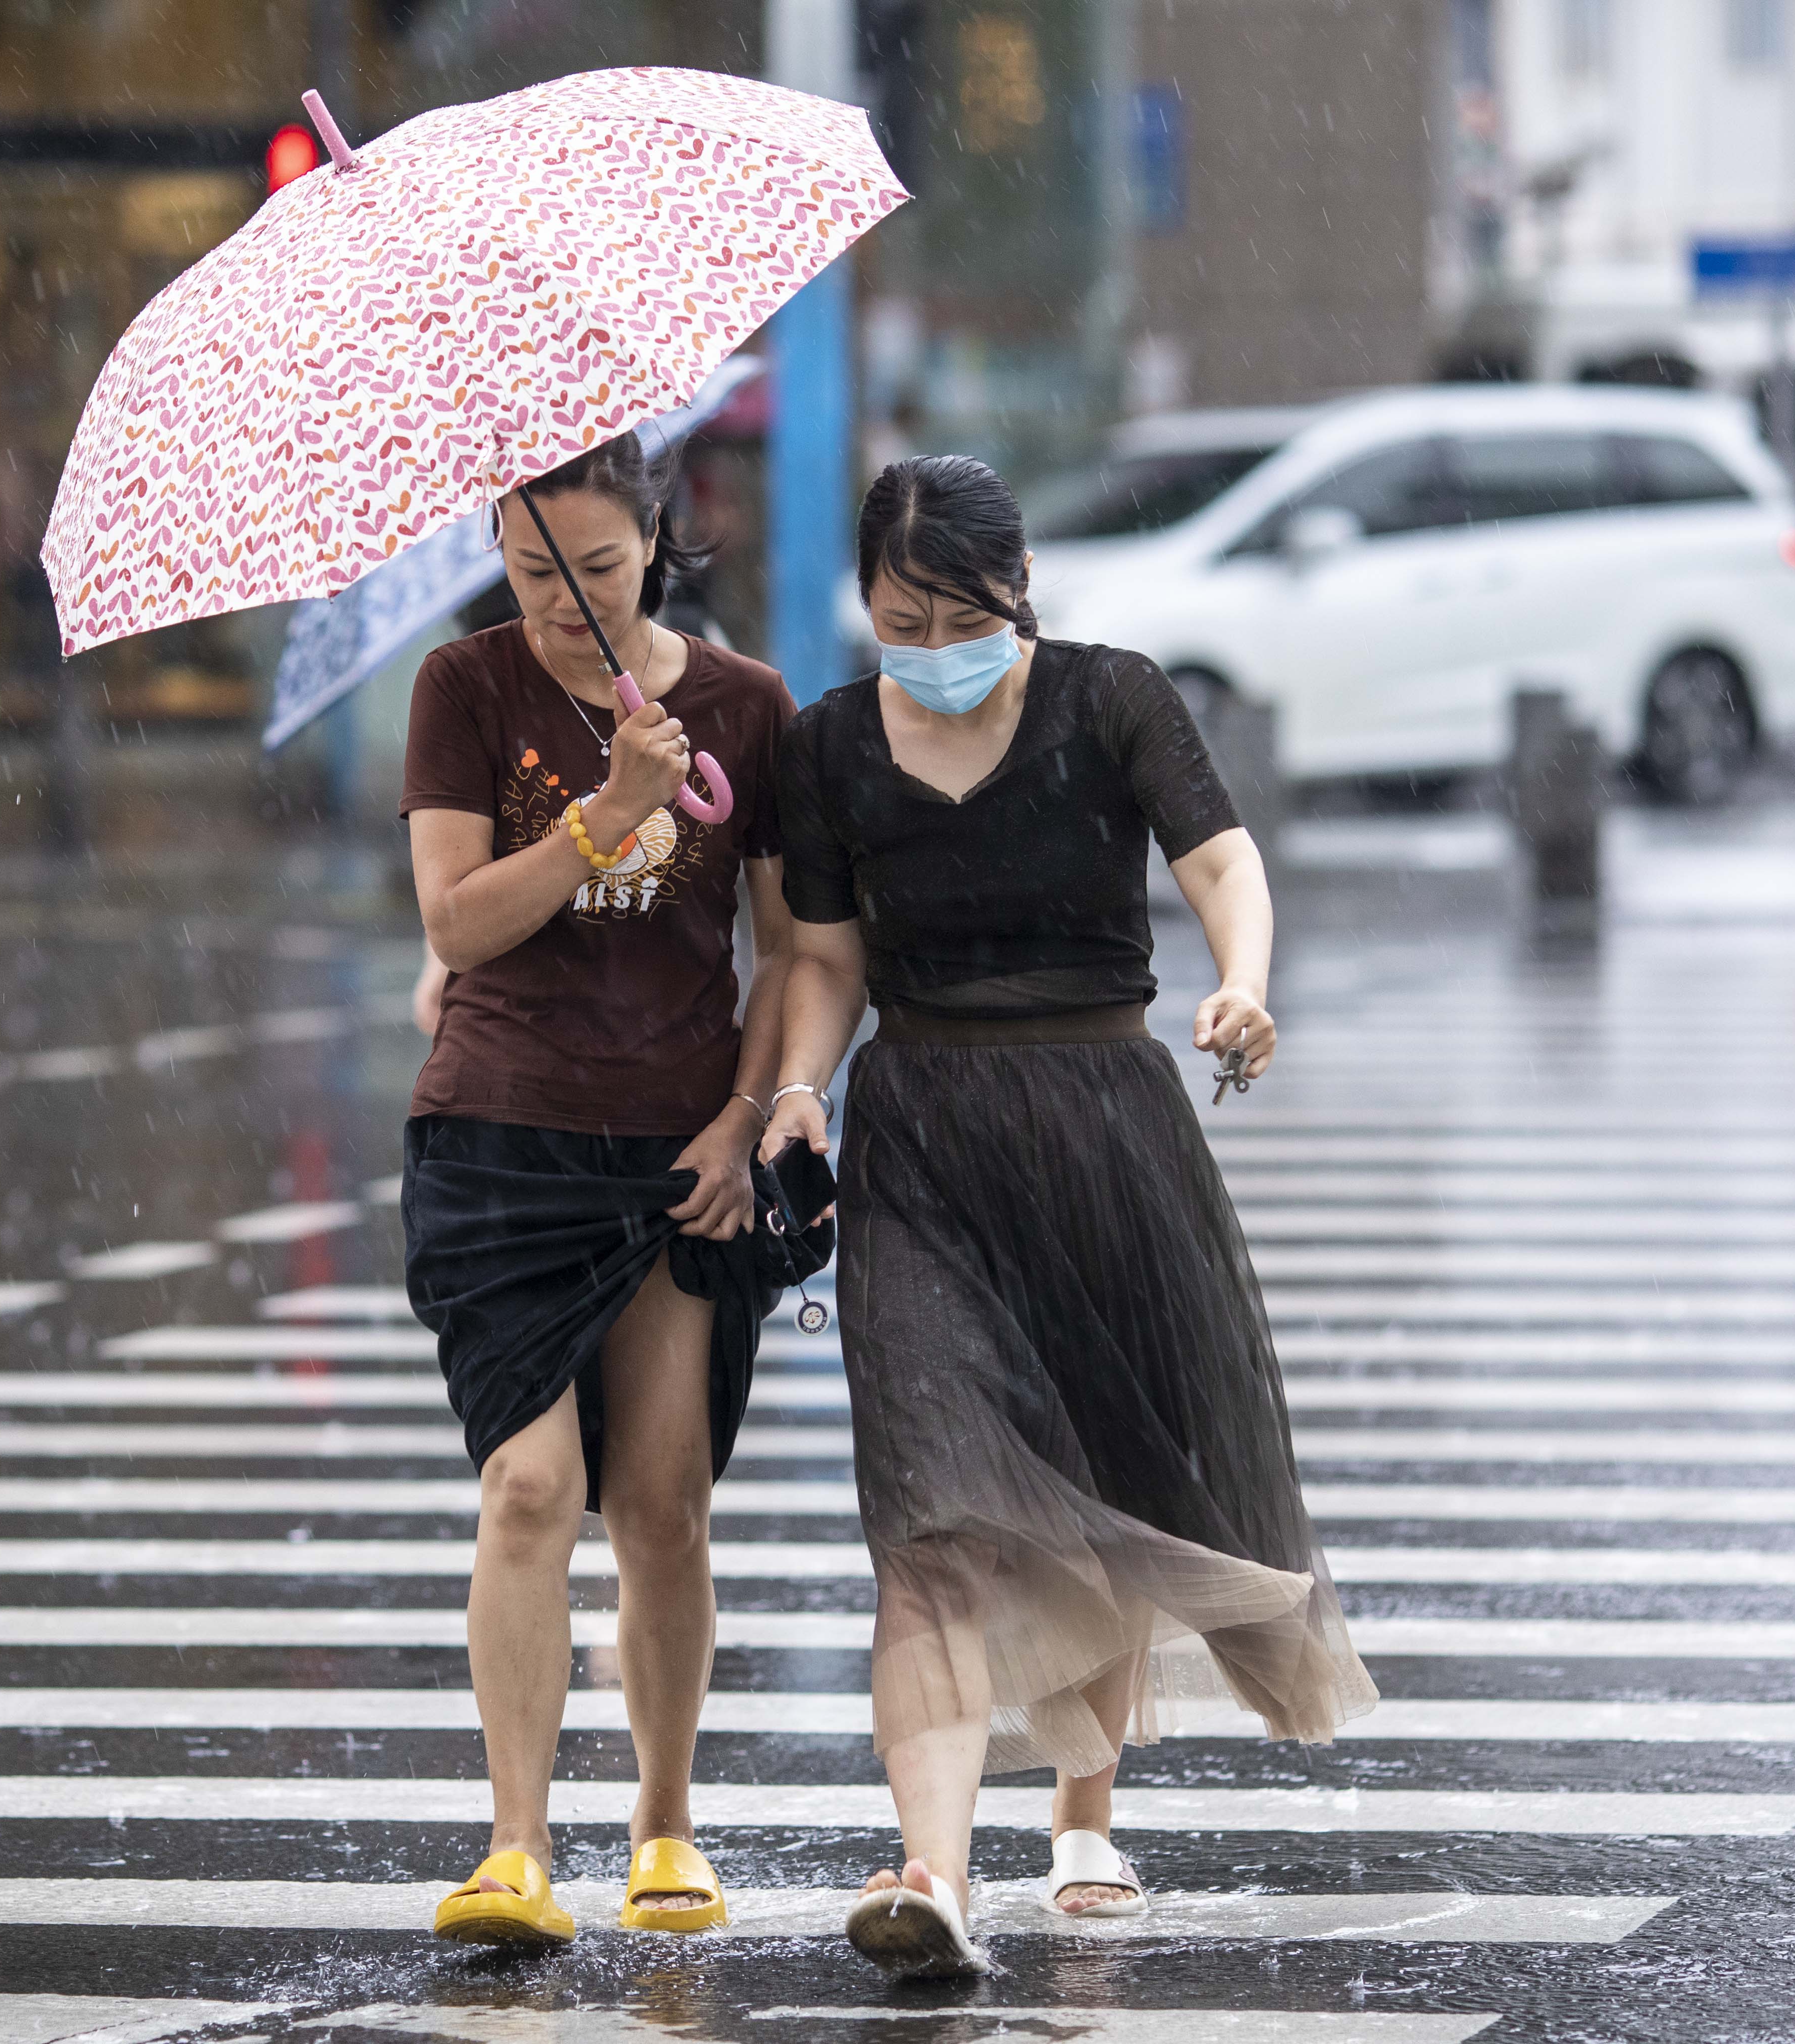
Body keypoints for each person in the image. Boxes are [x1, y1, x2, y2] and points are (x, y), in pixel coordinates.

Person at [759, 456, 1374, 1979]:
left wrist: (1241, 976)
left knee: (1097, 1469)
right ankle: (929, 1871)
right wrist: (792, 1088)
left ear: (1016, 585)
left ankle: (1083, 1817)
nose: (927, 638)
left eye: (957, 610)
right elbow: (824, 959)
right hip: (918, 1142)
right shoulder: (830, 745)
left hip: (1104, 1125)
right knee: (928, 1505)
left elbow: (1221, 860)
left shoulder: (1109, 700)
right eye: (897, 612)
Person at [399, 432, 798, 1946]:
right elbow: (455, 917)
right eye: (527, 575)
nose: (564, 606)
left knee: (661, 1507)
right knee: (526, 1490)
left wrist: (745, 1114)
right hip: (498, 1139)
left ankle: (662, 1821)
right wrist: (599, 814)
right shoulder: (466, 689)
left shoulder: (745, 709)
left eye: (598, 573)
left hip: (673, 1157)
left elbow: (790, 951)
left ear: (655, 541)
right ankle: (513, 1841)